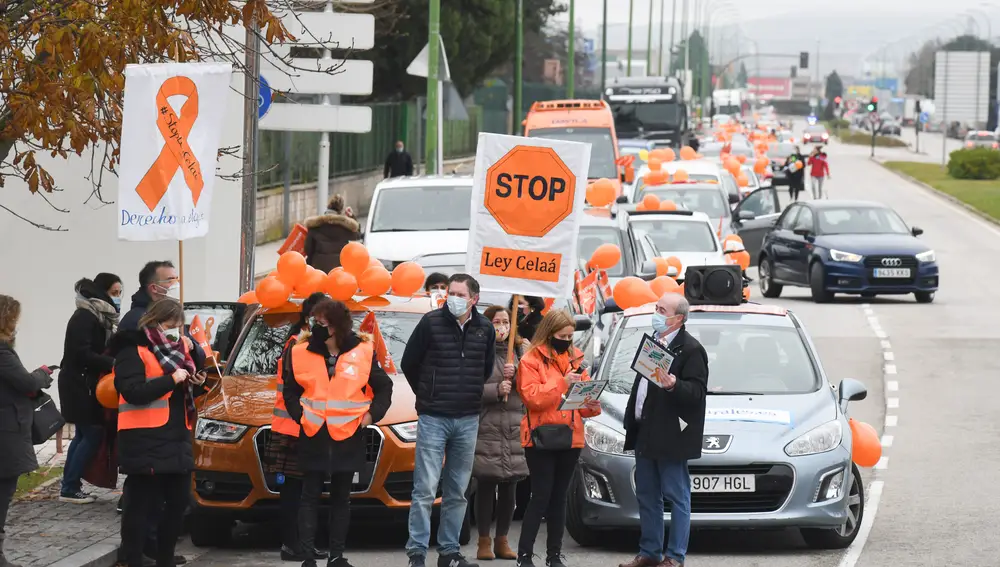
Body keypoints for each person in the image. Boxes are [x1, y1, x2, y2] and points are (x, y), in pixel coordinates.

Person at [283, 298, 393, 567]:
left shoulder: (363, 350)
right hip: (314, 431)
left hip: (348, 432)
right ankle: (308, 557)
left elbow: (384, 387)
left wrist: (370, 416)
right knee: (309, 495)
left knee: (341, 498)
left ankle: (336, 556)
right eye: (314, 321)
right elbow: (290, 390)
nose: (314, 327)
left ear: (335, 327)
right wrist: (300, 416)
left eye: (320, 323)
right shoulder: (300, 351)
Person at [401, 273, 496, 567]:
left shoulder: (485, 329)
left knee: (457, 491)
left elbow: (485, 368)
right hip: (434, 417)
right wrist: (428, 393)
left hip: (467, 419)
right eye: (450, 292)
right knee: (426, 489)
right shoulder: (431, 323)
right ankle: (417, 551)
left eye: (459, 294)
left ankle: (449, 551)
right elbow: (409, 362)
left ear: (474, 299)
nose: (452, 298)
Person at [110, 299, 207, 567]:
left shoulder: (178, 351)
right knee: (141, 507)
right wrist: (170, 379)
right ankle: (132, 558)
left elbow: (180, 394)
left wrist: (195, 383)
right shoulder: (132, 350)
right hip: (144, 439)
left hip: (175, 438)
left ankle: (165, 559)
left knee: (177, 505)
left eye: (179, 326)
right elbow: (132, 391)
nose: (175, 331)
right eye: (170, 325)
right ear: (154, 322)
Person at [618, 293, 708, 567]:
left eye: (661, 310)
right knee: (647, 494)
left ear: (678, 318)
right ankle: (650, 552)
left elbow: (697, 392)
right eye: (656, 308)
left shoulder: (691, 349)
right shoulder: (653, 343)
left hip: (671, 435)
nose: (656, 313)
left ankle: (675, 556)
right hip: (645, 430)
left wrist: (673, 385)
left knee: (676, 495)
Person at [515, 309, 601, 567]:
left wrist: (592, 402)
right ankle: (525, 556)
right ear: (549, 333)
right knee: (541, 496)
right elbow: (533, 399)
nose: (566, 340)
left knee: (560, 497)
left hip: (570, 437)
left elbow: (582, 406)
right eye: (562, 335)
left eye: (570, 336)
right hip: (540, 437)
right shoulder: (531, 360)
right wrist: (563, 384)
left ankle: (554, 555)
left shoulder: (576, 359)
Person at [262, 292, 328, 562]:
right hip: (293, 428)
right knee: (294, 490)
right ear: (310, 317)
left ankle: (303, 543)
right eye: (322, 317)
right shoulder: (297, 345)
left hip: (304, 427)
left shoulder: (306, 342)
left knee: (306, 490)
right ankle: (292, 544)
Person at [0, 295, 56, 567]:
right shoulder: (1, 351)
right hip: (6, 432)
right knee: (2, 491)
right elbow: (25, 382)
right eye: (15, 319)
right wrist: (42, 375)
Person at [58, 273, 122, 504]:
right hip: (79, 383)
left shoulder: (96, 316)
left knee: (85, 433)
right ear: (102, 291)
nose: (117, 299)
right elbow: (81, 352)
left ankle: (70, 484)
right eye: (114, 293)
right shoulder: (85, 317)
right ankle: (70, 486)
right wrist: (111, 362)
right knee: (92, 432)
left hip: (85, 381)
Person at [473, 306, 528, 562]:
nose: (502, 326)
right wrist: (496, 388)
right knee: (486, 483)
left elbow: (532, 387)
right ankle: (483, 539)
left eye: (506, 321)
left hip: (515, 426)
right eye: (496, 321)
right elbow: (470, 388)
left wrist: (518, 376)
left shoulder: (519, 352)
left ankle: (502, 539)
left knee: (510, 485)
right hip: (487, 426)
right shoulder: (478, 351)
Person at [303, 194, 362, 273]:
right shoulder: (345, 227)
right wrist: (352, 217)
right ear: (340, 210)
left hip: (319, 268)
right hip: (339, 269)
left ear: (328, 207)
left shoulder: (315, 226)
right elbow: (357, 235)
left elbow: (308, 249)